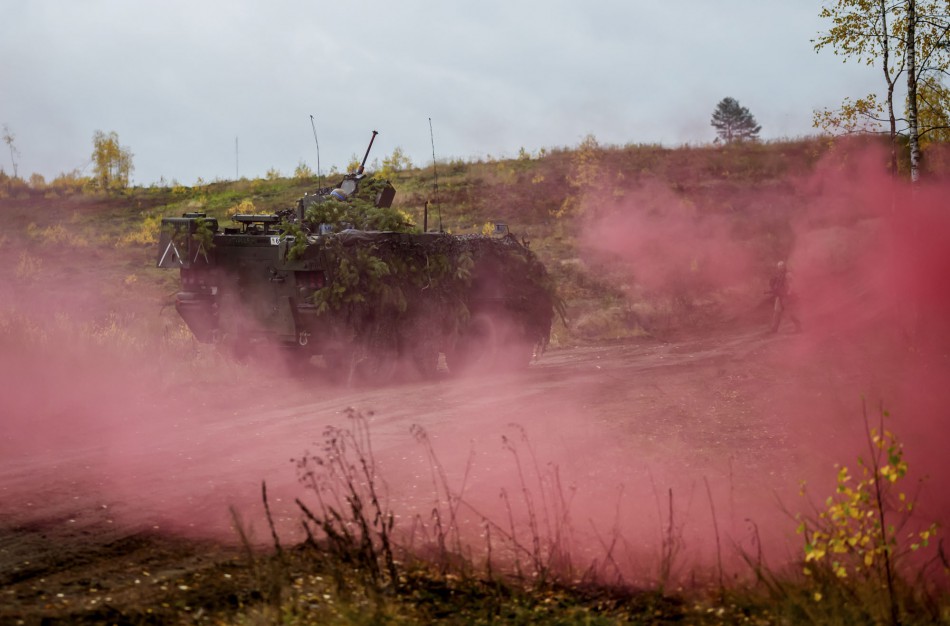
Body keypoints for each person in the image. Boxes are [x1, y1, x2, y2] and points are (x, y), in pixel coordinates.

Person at [768, 261, 802, 333]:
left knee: (790, 312)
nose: (780, 268)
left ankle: (798, 326)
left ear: (784, 266)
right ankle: (774, 329)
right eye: (779, 266)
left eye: (782, 266)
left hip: (786, 296)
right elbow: (776, 285)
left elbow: (792, 284)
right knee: (777, 312)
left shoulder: (788, 274)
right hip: (780, 296)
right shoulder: (779, 275)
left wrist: (789, 292)